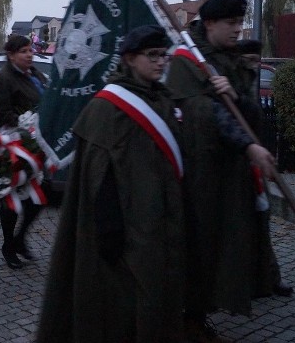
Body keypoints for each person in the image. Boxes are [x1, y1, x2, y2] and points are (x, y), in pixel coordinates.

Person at [37, 25, 185, 343]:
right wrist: (111, 230)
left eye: (164, 55)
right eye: (153, 55)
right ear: (130, 58)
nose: (161, 62)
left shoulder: (161, 99)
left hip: (160, 220)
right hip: (126, 230)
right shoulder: (108, 108)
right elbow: (97, 176)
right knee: (125, 308)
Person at [165, 0, 277, 341]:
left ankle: (204, 309)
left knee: (224, 245)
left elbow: (253, 115)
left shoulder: (233, 60)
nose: (237, 30)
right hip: (197, 174)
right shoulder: (186, 61)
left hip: (229, 173)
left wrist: (236, 96)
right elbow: (203, 114)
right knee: (198, 245)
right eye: (230, 23)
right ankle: (188, 317)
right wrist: (248, 145)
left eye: (239, 23)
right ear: (210, 24)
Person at [234, 39, 292, 300]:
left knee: (262, 220)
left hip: (255, 161)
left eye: (257, 60)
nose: (255, 65)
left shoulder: (248, 81)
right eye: (251, 60)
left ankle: (270, 277)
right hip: (239, 163)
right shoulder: (234, 81)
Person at [0, 34, 48, 269]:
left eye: (30, 50)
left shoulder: (34, 74)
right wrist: (27, 123)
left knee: (38, 198)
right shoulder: (4, 78)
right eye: (24, 51)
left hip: (36, 143)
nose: (29, 54)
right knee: (12, 199)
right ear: (11, 54)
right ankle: (8, 245)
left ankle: (20, 239)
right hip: (14, 144)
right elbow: (1, 112)